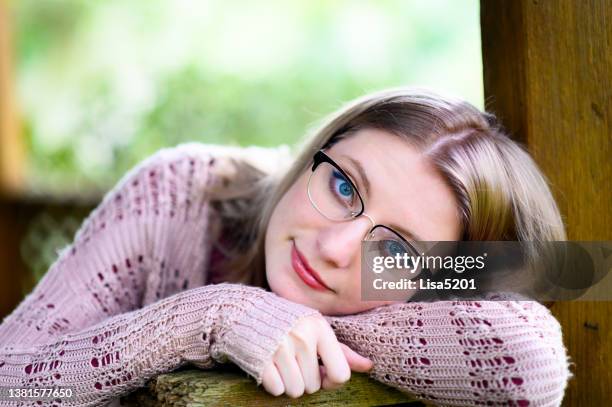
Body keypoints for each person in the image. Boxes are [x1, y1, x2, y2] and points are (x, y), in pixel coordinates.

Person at [0, 88, 571, 406]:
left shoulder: (418, 295)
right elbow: (9, 384)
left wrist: (311, 331)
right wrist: (212, 318)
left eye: (395, 249)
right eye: (343, 185)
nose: (335, 247)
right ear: (318, 152)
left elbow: (529, 362)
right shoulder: (178, 193)